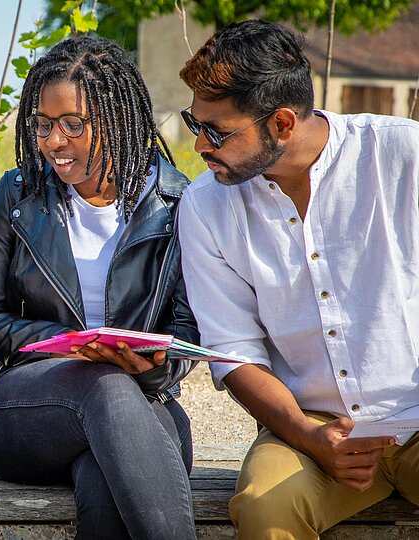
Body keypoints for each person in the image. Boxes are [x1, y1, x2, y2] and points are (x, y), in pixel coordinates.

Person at [177, 19, 419, 539]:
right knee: (267, 509)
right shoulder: (205, 205)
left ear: (283, 124)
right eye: (194, 123)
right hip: (306, 424)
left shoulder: (404, 156)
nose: (199, 145)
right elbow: (233, 349)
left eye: (216, 131)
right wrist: (310, 436)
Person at [0, 36, 198, 539]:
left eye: (72, 124)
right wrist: (66, 344)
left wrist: (158, 365)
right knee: (104, 385)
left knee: (105, 476)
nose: (54, 141)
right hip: (25, 412)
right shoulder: (18, 195)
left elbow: (186, 329)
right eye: (43, 125)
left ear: (117, 117)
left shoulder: (178, 203)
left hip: (143, 406)